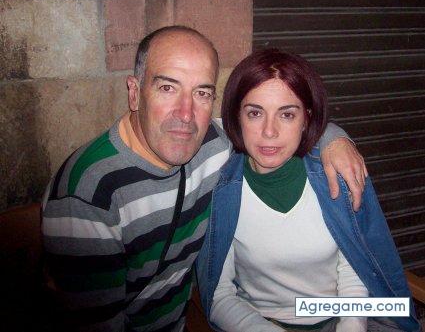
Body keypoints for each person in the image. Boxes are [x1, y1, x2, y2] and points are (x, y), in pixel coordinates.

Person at [42, 26, 366, 332]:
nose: (186, 114)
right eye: (167, 88)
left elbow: (270, 130)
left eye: (202, 93)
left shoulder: (212, 143)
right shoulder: (87, 194)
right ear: (135, 92)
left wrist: (335, 139)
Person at [196, 49, 419, 332]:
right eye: (255, 113)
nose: (269, 131)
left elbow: (357, 269)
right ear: (237, 116)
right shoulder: (220, 188)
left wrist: (350, 326)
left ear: (306, 119)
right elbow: (219, 296)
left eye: (287, 114)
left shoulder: (335, 174)